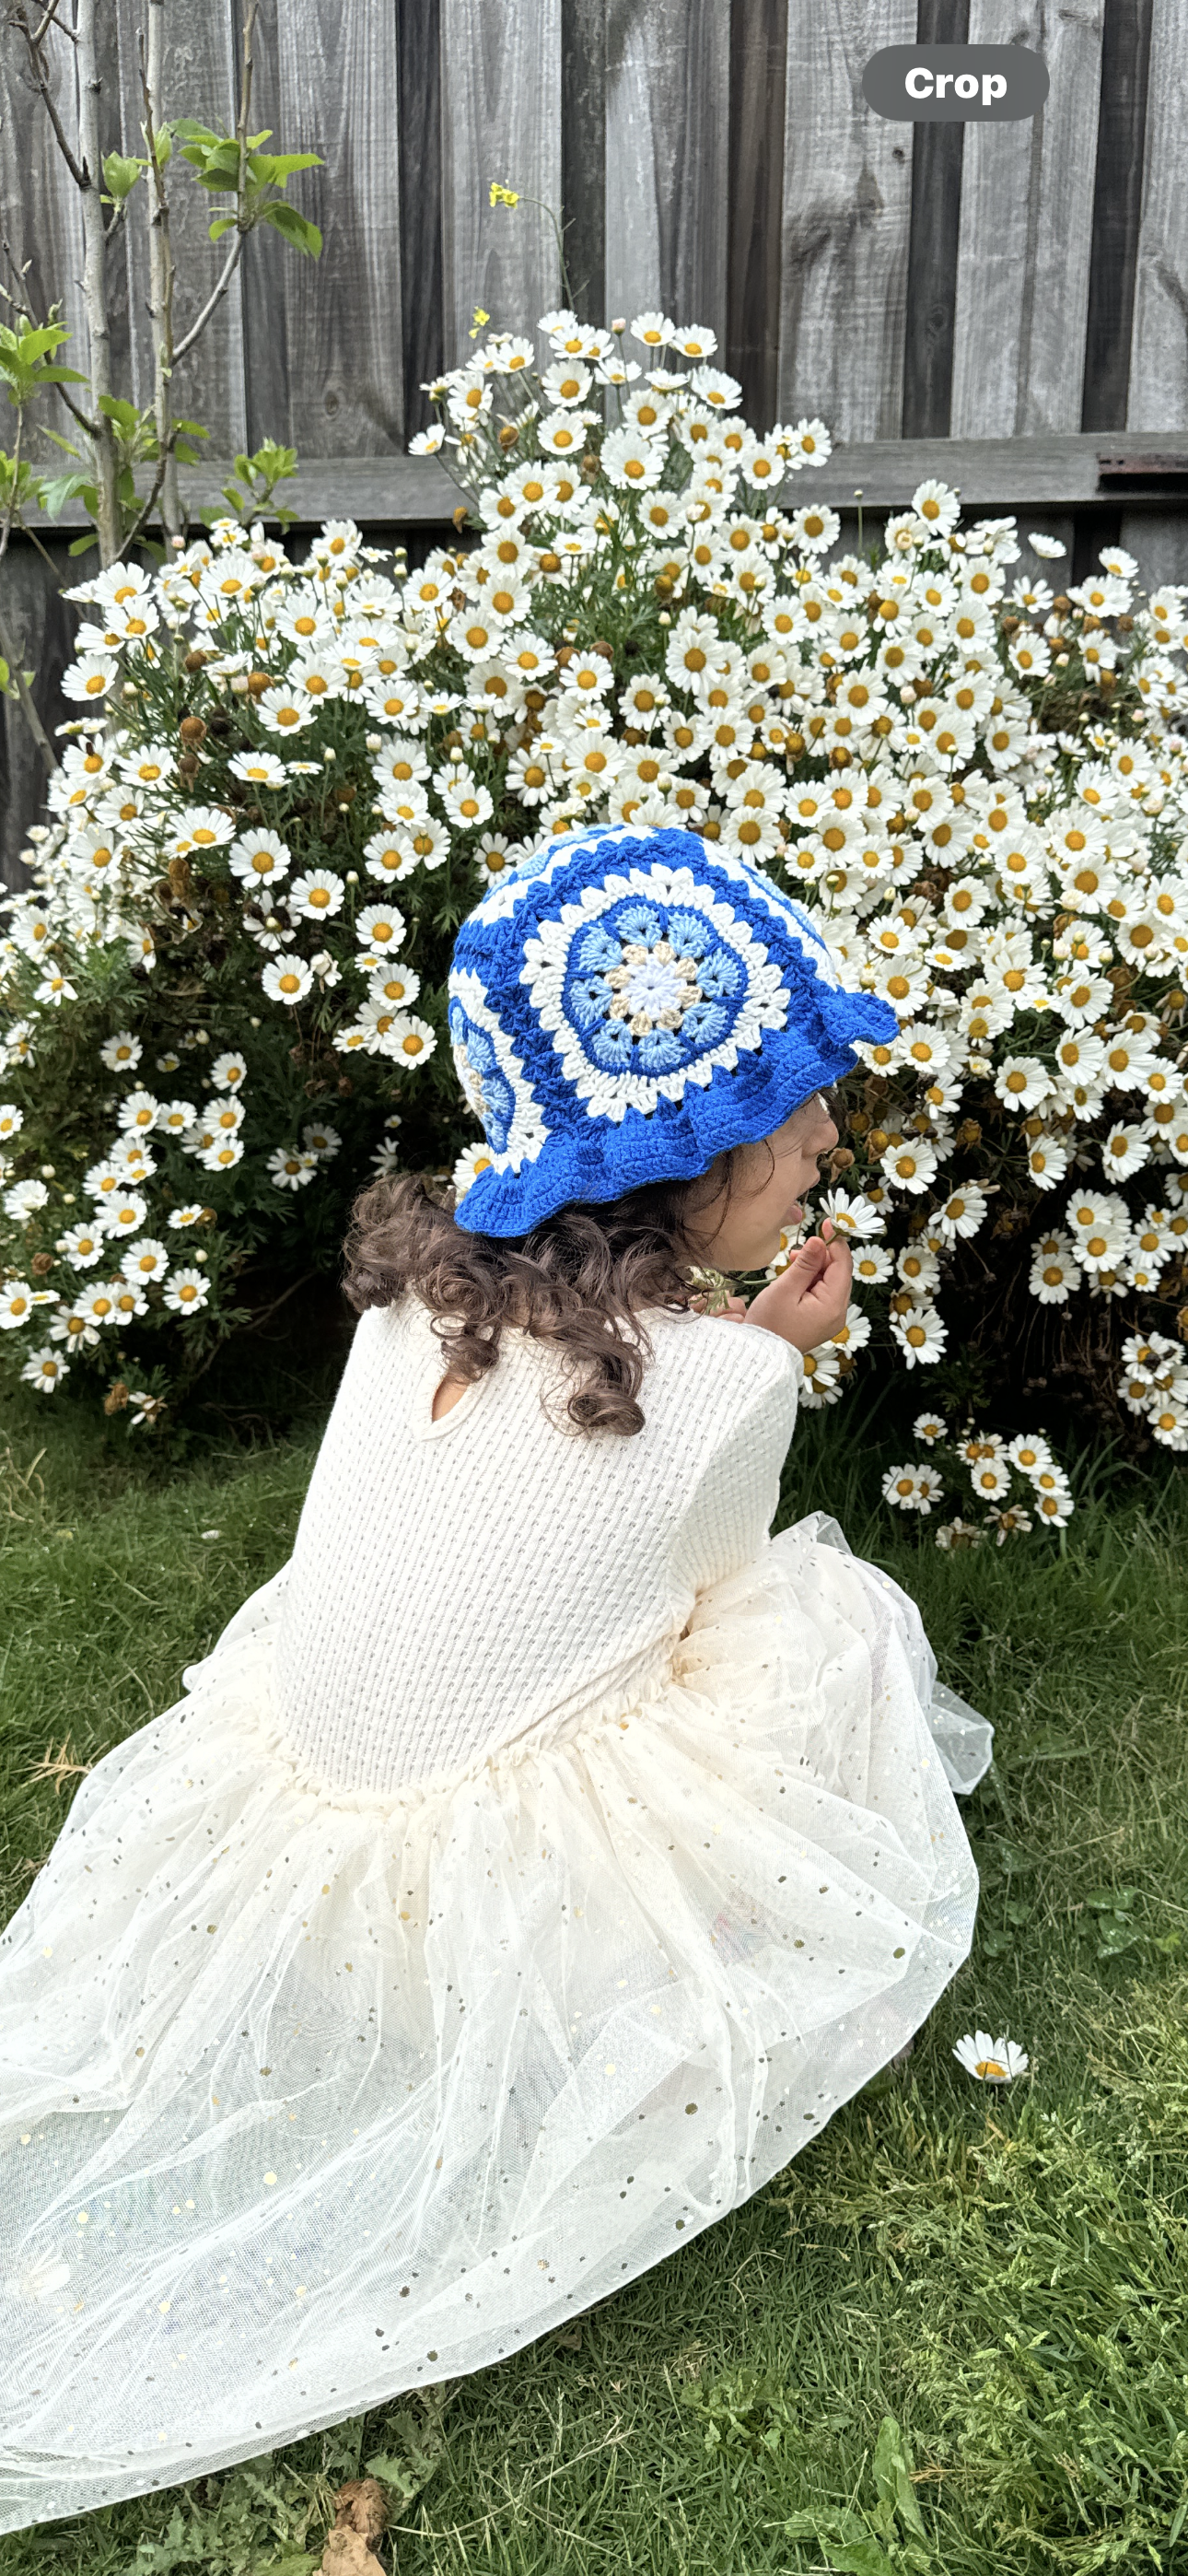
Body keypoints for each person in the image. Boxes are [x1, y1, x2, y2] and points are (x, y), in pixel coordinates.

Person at [0, 824, 991, 2530]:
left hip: (301, 1845)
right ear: (691, 1153)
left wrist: (729, 1356)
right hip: (506, 1921)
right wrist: (767, 1362)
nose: (832, 1129)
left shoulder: (408, 1312)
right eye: (799, 1102)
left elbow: (572, 1499)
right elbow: (697, 1572)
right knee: (822, 1623)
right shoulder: (724, 1392)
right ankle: (713, 1933)